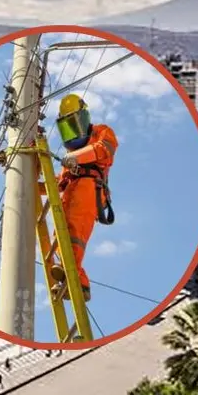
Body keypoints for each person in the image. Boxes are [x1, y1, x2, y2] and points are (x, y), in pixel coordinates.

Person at [50, 94, 119, 303]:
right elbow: (59, 183)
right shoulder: (71, 157)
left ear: (83, 118)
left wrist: (76, 157)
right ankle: (76, 280)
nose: (72, 132)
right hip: (72, 190)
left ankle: (73, 277)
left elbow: (104, 149)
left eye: (74, 124)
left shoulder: (101, 132)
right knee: (60, 233)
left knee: (74, 229)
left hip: (90, 187)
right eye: (67, 128)